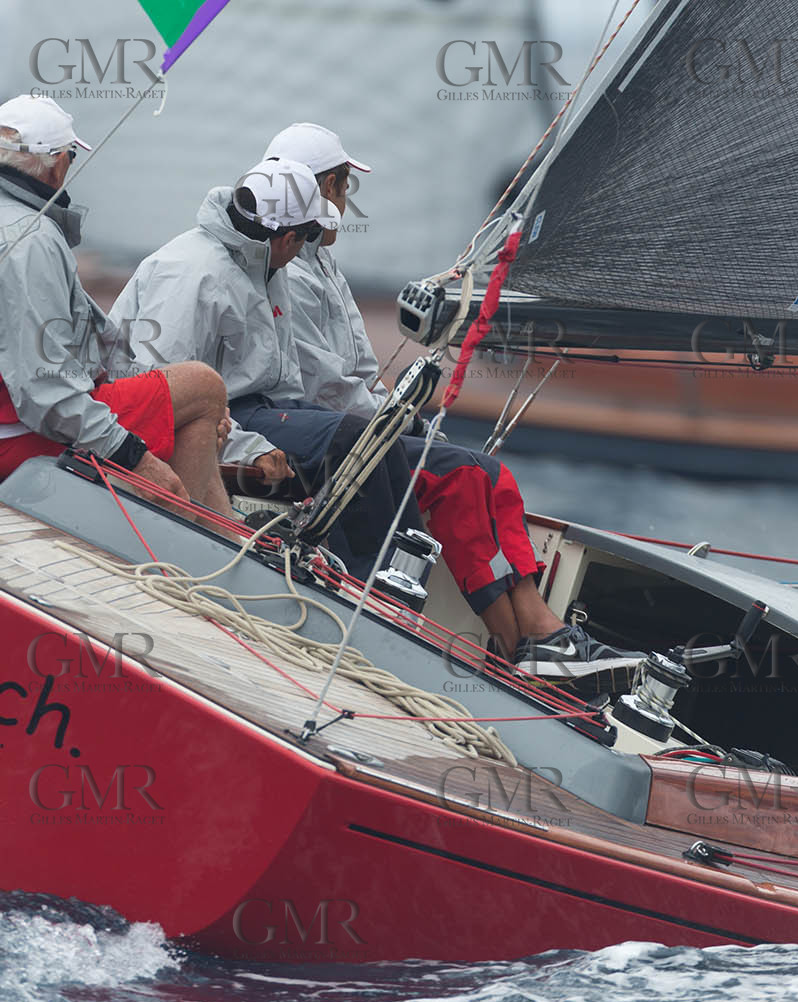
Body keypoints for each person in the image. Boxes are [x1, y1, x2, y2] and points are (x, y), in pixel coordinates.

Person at [266, 122, 621, 678]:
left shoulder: (321, 266)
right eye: (343, 187)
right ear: (326, 188)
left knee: (489, 474)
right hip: (328, 429)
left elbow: (357, 371)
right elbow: (324, 388)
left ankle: (536, 634)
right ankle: (518, 648)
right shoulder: (294, 273)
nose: (347, 200)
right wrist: (397, 423)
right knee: (460, 474)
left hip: (354, 421)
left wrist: (399, 414)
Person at [0, 95, 288, 517]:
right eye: (70, 157)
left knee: (190, 399)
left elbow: (83, 343)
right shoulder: (30, 238)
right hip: (11, 436)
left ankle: (201, 518)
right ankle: (213, 533)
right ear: (55, 162)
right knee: (203, 386)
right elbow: (45, 394)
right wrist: (134, 457)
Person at [109, 158, 428, 577]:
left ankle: (402, 577)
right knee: (350, 439)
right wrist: (249, 447)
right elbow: (161, 393)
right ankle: (373, 589)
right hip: (213, 415)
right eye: (309, 236)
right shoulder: (193, 275)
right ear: (288, 238)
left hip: (250, 408)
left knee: (373, 438)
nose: (310, 247)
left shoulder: (264, 263)